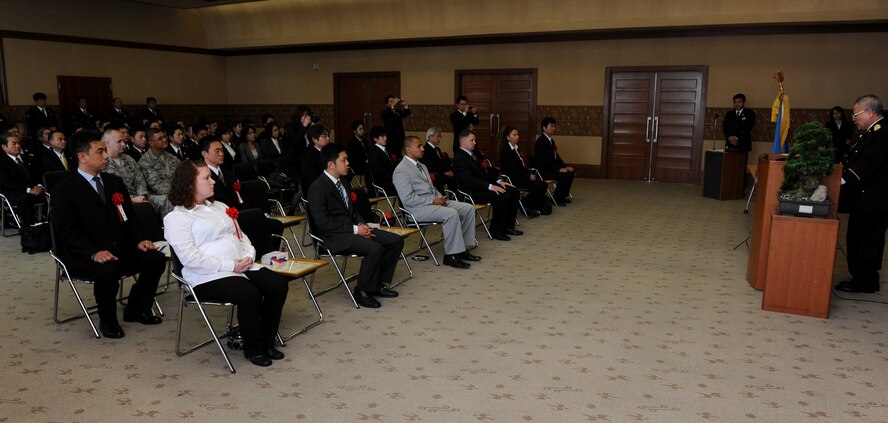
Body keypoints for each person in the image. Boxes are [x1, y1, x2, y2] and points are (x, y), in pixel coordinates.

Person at [163, 159, 290, 367]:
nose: (213, 181)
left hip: (241, 265)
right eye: (206, 178)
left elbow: (241, 236)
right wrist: (231, 265)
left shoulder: (220, 206)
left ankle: (267, 341)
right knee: (250, 294)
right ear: (189, 184)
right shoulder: (176, 218)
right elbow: (190, 258)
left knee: (278, 285)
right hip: (208, 275)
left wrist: (249, 254)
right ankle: (254, 348)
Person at [50, 130, 166, 338]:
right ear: (82, 156)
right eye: (100, 151)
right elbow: (66, 232)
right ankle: (108, 320)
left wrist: (140, 240)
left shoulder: (114, 182)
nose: (106, 156)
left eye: (105, 150)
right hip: (85, 253)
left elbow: (129, 218)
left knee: (155, 258)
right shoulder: (64, 190)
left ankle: (136, 308)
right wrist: (94, 252)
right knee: (108, 269)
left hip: (119, 246)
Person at [307, 143, 403, 309]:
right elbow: (322, 223)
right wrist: (355, 230)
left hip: (353, 229)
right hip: (334, 236)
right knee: (374, 248)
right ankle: (362, 291)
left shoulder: (343, 182)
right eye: (344, 160)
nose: (348, 163)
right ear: (331, 164)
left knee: (395, 241)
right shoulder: (317, 188)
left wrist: (361, 225)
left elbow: (353, 211)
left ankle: (377, 283)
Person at [393, 136, 479, 269]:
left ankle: (461, 249)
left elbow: (431, 188)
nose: (423, 149)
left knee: (468, 208)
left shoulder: (422, 166)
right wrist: (433, 201)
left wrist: (440, 198)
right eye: (419, 146)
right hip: (417, 209)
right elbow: (407, 199)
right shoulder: (401, 170)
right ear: (408, 150)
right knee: (451, 214)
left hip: (433, 202)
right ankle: (451, 255)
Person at [835, 95, 888, 295]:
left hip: (875, 200)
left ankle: (866, 282)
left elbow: (866, 165)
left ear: (869, 112)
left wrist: (842, 180)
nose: (854, 118)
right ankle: (860, 277)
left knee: (868, 242)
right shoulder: (871, 132)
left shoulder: (882, 133)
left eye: (856, 114)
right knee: (857, 239)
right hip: (865, 199)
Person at [453, 129, 522, 241]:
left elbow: (485, 172)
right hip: (472, 191)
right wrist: (490, 187)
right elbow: (468, 181)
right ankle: (496, 231)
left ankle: (508, 226)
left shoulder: (472, 155)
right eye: (472, 140)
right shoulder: (460, 158)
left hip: (483, 187)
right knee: (503, 197)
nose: (475, 142)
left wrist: (498, 182)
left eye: (474, 140)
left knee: (513, 191)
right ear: (463, 141)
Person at [499, 126, 550, 217]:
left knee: (543, 184)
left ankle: (527, 204)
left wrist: (529, 173)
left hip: (520, 175)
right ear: (507, 137)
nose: (517, 137)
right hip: (512, 178)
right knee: (538, 185)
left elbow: (521, 166)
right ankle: (527, 205)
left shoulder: (516, 148)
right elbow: (513, 169)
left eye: (517, 134)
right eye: (514, 135)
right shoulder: (505, 151)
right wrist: (528, 176)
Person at [0, 131, 45, 227]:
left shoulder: (28, 158)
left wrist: (40, 186)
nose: (18, 146)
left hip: (34, 189)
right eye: (14, 143)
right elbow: (7, 183)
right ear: (4, 147)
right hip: (14, 192)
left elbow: (38, 175)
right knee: (25, 199)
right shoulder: (2, 162)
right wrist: (29, 190)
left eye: (19, 143)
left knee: (53, 193)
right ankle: (30, 228)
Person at [533, 117, 574, 206]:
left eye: (554, 126)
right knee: (564, 175)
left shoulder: (551, 140)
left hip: (550, 168)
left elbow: (556, 157)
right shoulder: (541, 141)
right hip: (544, 170)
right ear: (544, 128)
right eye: (551, 126)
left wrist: (564, 166)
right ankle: (557, 198)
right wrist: (558, 169)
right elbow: (546, 160)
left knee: (570, 172)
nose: (554, 128)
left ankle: (562, 196)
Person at [138, 128, 178, 216]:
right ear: (151, 142)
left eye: (164, 136)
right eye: (160, 138)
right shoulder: (145, 161)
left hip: (175, 191)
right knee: (168, 200)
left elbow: (183, 173)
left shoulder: (171, 157)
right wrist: (178, 192)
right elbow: (156, 186)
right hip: (157, 195)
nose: (164, 139)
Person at [420, 127, 457, 193]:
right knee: (453, 179)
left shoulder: (437, 149)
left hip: (441, 173)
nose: (440, 139)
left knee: (457, 175)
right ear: (430, 137)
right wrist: (444, 173)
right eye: (438, 136)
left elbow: (442, 164)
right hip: (435, 176)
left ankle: (456, 196)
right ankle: (455, 197)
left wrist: (449, 171)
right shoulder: (426, 150)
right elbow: (429, 167)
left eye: (440, 137)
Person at [366, 125, 397, 197]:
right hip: (382, 181)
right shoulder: (373, 152)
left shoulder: (387, 149)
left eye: (385, 136)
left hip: (390, 178)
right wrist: (393, 178)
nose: (385, 138)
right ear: (375, 139)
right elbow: (379, 171)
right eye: (382, 136)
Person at [380, 95, 410, 159]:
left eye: (393, 101)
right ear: (387, 104)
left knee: (399, 155)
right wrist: (393, 105)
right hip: (390, 139)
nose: (393, 102)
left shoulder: (397, 111)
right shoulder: (384, 113)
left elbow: (406, 112)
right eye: (391, 101)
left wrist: (405, 105)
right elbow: (388, 114)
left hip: (399, 138)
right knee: (391, 156)